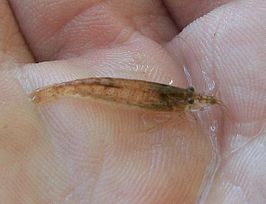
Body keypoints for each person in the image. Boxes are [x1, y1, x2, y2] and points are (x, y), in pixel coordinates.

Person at [0, 0, 265, 203]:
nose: (197, 100)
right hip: (118, 91)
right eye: (195, 97)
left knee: (97, 88)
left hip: (127, 92)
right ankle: (55, 91)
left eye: (194, 99)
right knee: (96, 89)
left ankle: (56, 91)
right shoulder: (179, 104)